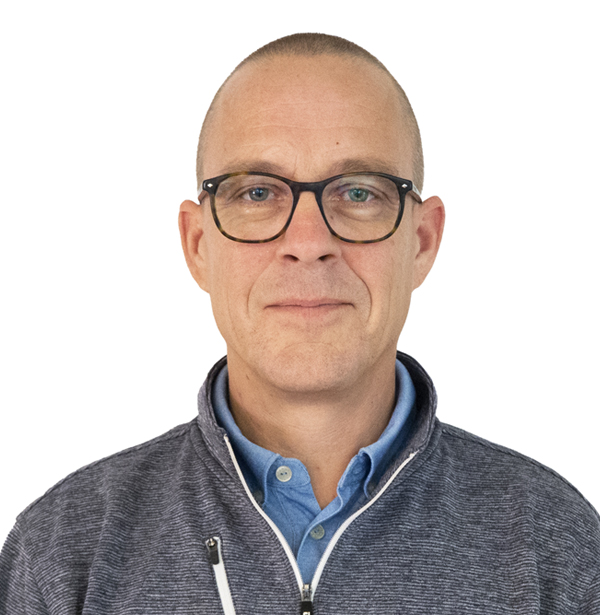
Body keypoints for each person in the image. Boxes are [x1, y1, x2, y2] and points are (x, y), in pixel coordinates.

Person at [1, 32, 598, 615]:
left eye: (358, 193)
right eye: (258, 193)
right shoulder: (64, 556)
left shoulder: (554, 551)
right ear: (198, 244)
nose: (308, 242)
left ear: (421, 241)